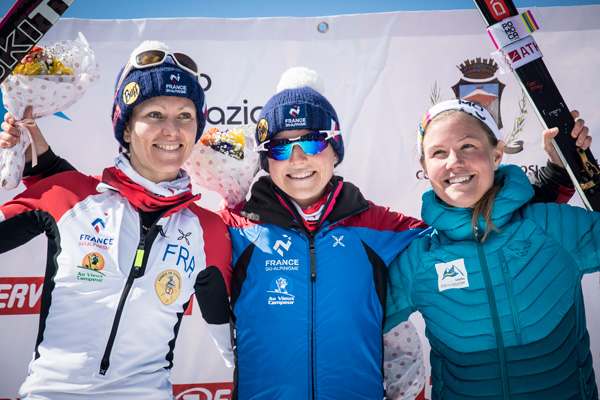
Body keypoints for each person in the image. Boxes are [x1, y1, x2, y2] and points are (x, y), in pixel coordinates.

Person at [0, 67, 591, 400]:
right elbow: (144, 208)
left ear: (334, 149)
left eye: (312, 143)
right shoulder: (228, 229)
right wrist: (45, 175)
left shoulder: (382, 231)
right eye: (281, 147)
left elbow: (467, 228)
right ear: (265, 159)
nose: (298, 159)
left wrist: (548, 181)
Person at [0, 40, 233, 400]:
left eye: (185, 115)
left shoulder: (209, 230)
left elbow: (239, 352)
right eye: (154, 114)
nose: (171, 130)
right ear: (126, 128)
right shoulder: (69, 195)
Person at [385, 99, 599, 400]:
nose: (454, 162)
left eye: (468, 145)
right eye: (438, 153)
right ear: (425, 167)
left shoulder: (551, 228)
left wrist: (582, 168)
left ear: (497, 153)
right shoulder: (419, 261)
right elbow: (351, 326)